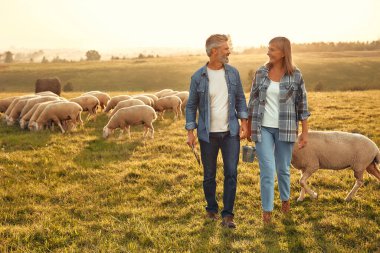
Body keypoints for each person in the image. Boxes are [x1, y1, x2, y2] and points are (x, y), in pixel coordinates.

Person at [185, 34, 249, 229]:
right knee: (209, 174)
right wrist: (190, 131)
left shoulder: (232, 73)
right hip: (207, 135)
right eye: (225, 48)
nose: (229, 51)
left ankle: (228, 215)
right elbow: (191, 106)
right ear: (213, 51)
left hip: (230, 133)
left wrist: (244, 122)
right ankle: (211, 209)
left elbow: (240, 99)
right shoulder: (198, 77)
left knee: (231, 172)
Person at [247, 37, 310, 224]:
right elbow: (252, 101)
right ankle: (267, 211)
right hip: (262, 128)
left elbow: (303, 105)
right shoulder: (261, 72)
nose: (268, 52)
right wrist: (249, 127)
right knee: (267, 169)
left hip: (286, 128)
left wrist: (305, 133)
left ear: (283, 53)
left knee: (283, 169)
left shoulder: (296, 75)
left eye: (272, 49)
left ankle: (285, 201)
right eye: (268, 48)